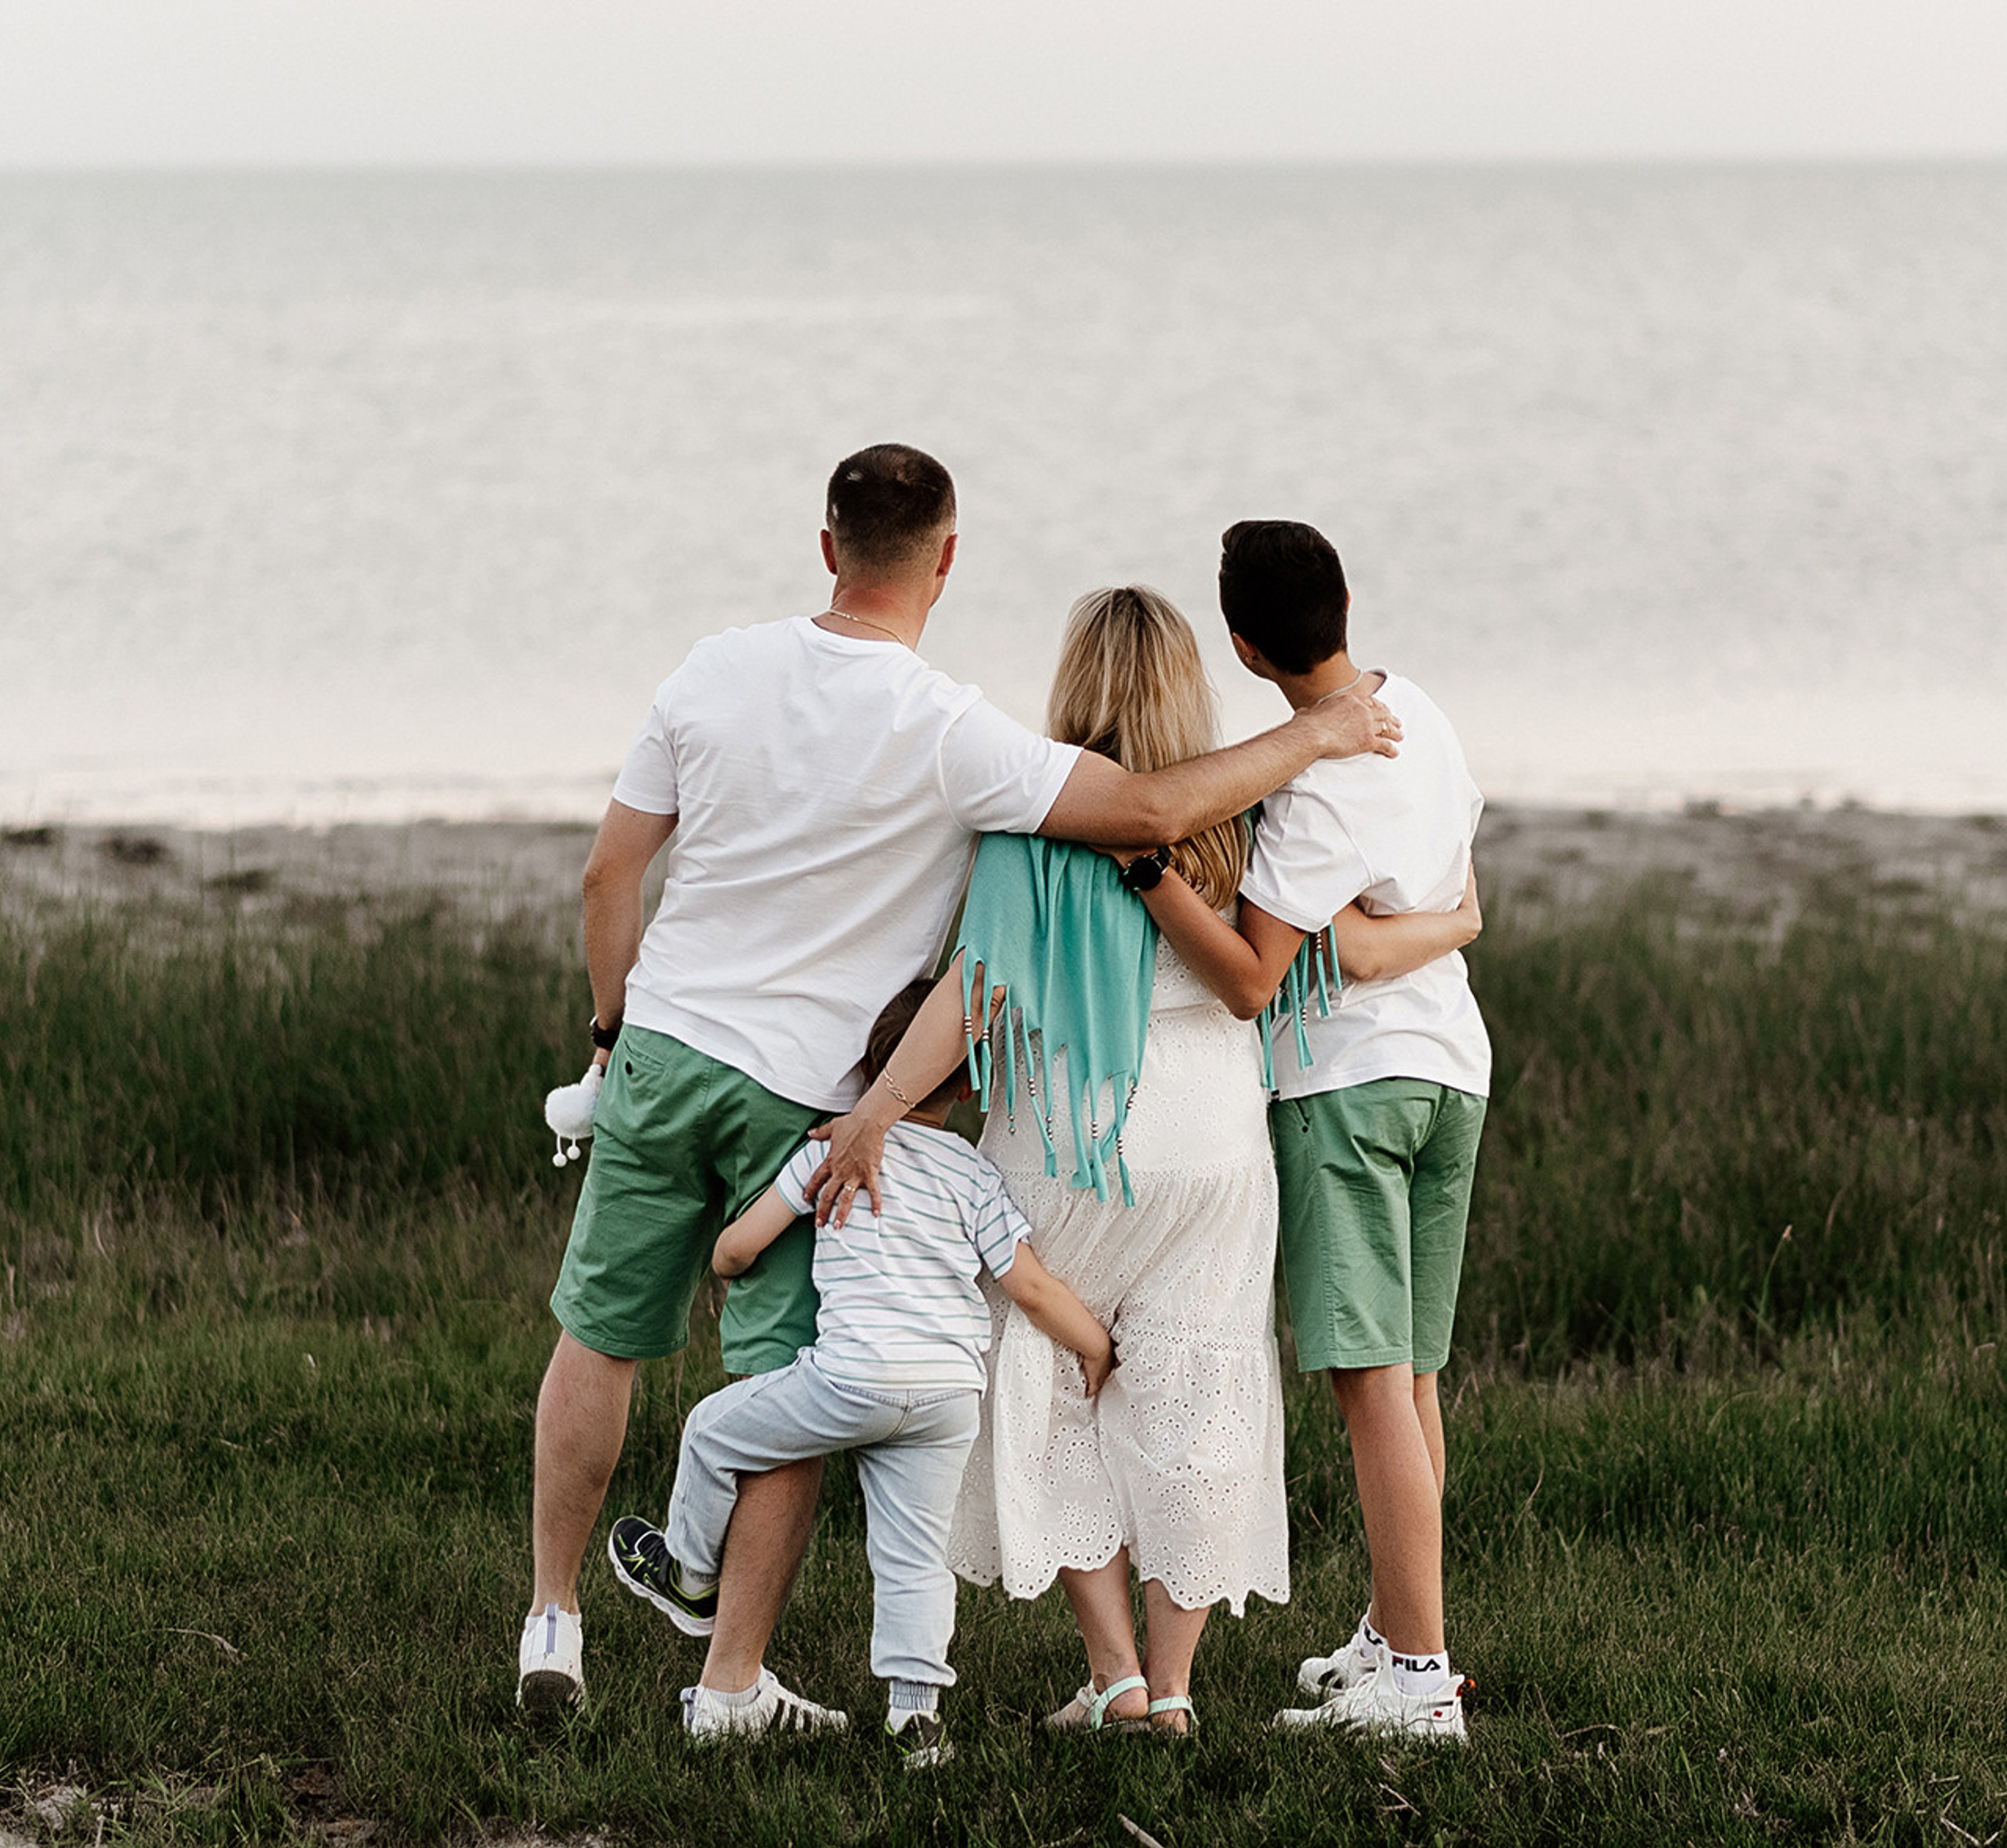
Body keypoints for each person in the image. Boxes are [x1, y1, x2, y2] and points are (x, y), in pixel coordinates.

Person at [518, 443, 1404, 1712]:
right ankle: (743, 1684)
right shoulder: (962, 734)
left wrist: (619, 1034)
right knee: (808, 1384)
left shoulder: (717, 669)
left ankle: (555, 1620)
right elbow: (1177, 839)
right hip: (939, 1111)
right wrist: (1322, 737)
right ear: (946, 560)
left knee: (607, 1334)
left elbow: (613, 877)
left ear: (828, 547)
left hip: (679, 1052)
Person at [812, 587, 1482, 1736]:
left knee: (1049, 1376)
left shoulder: (1034, 826)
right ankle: (1172, 1688)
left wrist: (877, 1110)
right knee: (1198, 1390)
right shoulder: (1242, 824)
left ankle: (1114, 1672)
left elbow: (977, 989)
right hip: (1214, 1146)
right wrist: (1456, 922)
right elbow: (1321, 953)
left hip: (1068, 1145)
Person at [1123, 520, 1491, 1741]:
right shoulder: (1420, 713)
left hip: (1349, 1091)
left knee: (1368, 1382)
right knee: (1413, 1376)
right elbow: (1442, 900)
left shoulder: (1308, 794)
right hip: (1452, 1073)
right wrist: (1419, 934)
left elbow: (1252, 977)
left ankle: (1420, 1680)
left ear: (1242, 646)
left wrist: (1152, 875)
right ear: (1343, 599)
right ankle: (1394, 1632)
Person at [605, 980, 1115, 1755]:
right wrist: (1096, 1344)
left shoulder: (832, 1149)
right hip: (947, 1395)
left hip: (852, 1378)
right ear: (969, 1084)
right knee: (915, 1556)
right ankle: (916, 1718)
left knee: (710, 1431)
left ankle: (689, 1576)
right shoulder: (976, 1176)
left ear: (870, 1070)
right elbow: (1033, 1287)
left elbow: (739, 1247)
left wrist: (724, 1260)